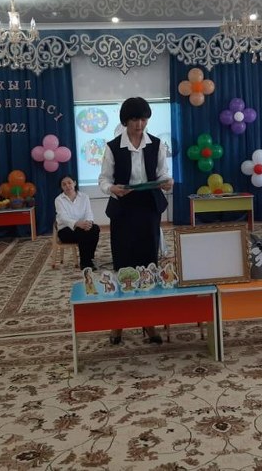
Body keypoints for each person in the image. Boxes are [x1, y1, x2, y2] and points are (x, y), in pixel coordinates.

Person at [98, 97, 173, 345]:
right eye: (134, 120)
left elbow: (162, 174)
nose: (139, 124)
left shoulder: (157, 144)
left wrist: (167, 182)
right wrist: (112, 189)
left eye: (143, 119)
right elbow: (104, 179)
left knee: (148, 264)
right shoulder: (112, 147)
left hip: (149, 208)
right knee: (123, 264)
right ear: (125, 121)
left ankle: (148, 322)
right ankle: (118, 323)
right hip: (123, 209)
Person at [54, 175, 100, 270]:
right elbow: (63, 217)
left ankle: (89, 258)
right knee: (83, 233)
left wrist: (88, 222)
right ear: (61, 187)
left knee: (95, 228)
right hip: (65, 230)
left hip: (82, 227)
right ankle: (86, 263)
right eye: (64, 184)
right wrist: (77, 224)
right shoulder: (59, 200)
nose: (67, 186)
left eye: (69, 183)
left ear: (74, 183)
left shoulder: (84, 197)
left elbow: (88, 212)